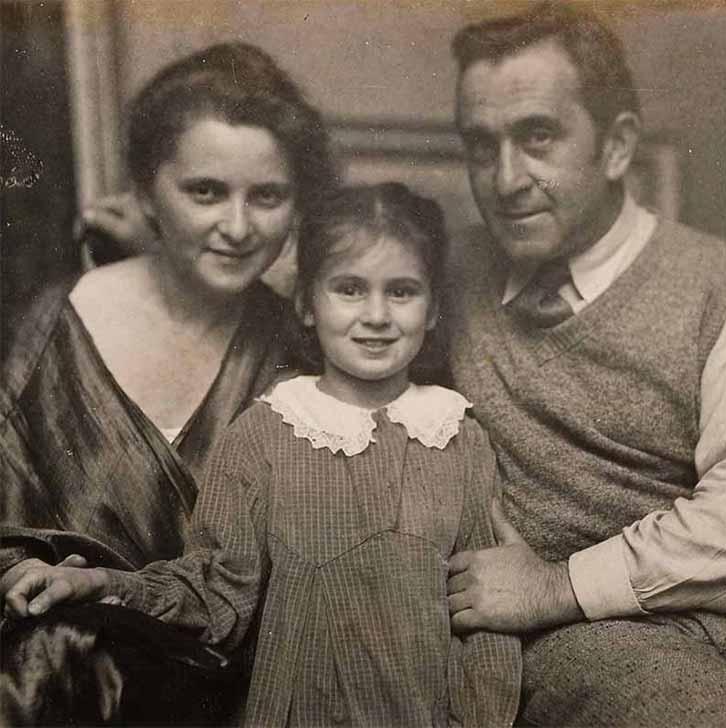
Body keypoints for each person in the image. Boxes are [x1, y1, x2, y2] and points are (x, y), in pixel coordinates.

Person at [5, 182, 522, 727]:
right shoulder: (262, 434)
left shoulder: (458, 436)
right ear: (305, 303)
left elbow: (484, 615)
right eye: (348, 289)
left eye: (402, 291)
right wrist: (103, 584)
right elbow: (217, 593)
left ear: (434, 308)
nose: (376, 315)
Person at [0, 41, 336, 724]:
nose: (238, 228)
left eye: (267, 196)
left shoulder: (304, 353)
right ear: (148, 187)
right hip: (58, 689)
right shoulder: (49, 330)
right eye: (205, 191)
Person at [443, 2, 726, 726]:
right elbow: (307, 285)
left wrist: (557, 585)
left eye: (537, 136)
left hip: (639, 610)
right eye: (481, 145)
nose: (505, 179)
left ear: (617, 145)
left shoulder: (714, 286)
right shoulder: (438, 272)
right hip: (587, 651)